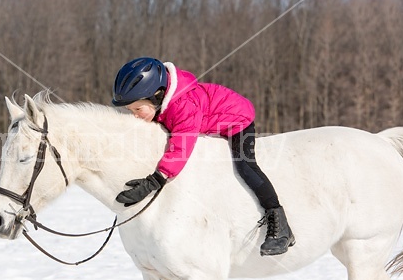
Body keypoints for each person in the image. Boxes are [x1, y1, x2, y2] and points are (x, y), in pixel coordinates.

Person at [111, 57, 295, 256]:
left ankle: (278, 221)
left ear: (157, 97)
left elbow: (181, 145)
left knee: (245, 166)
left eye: (138, 109)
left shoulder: (183, 107)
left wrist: (156, 180)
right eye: (130, 110)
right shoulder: (164, 105)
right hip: (211, 122)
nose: (134, 115)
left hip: (238, 122)